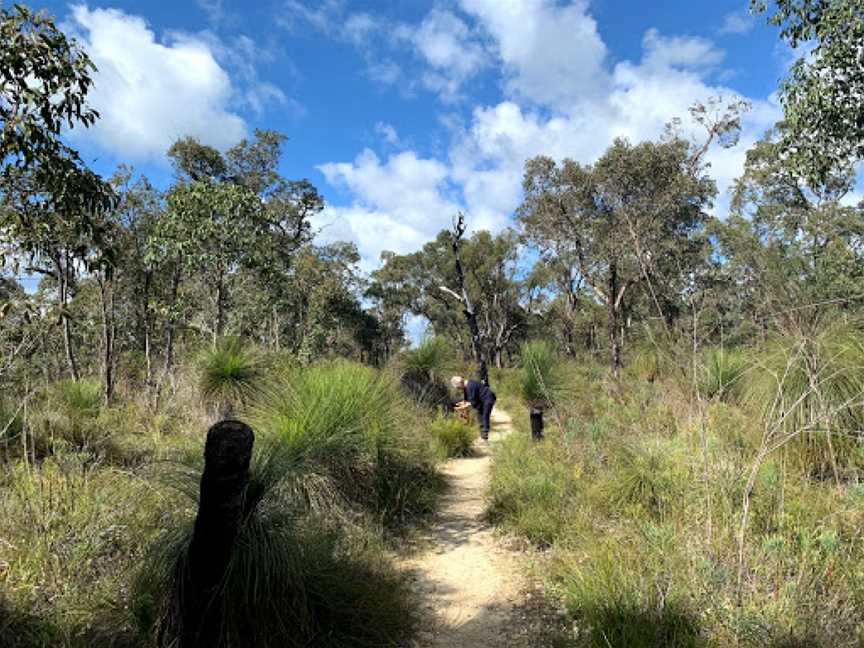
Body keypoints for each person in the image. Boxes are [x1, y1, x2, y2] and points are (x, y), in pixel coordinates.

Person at [450, 375, 496, 441]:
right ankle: (483, 435)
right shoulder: (466, 387)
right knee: (480, 415)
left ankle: (485, 434)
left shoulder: (470, 386)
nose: (459, 389)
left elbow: (472, 403)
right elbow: (467, 400)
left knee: (484, 415)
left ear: (460, 383)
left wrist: (461, 408)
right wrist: (460, 404)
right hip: (481, 400)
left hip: (488, 398)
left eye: (458, 387)